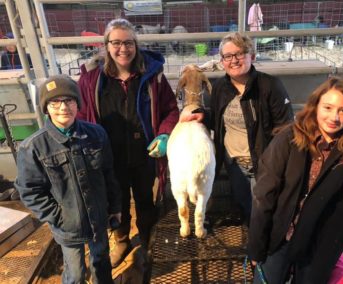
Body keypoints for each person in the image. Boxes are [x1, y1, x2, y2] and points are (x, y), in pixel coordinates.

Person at [248, 77, 343, 284]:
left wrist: (326, 258)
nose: (334, 117)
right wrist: (256, 247)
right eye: (328, 107)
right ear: (315, 106)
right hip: (277, 239)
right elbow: (264, 196)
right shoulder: (288, 138)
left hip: (317, 244)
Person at [77, 18, 179, 268]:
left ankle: (147, 240)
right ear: (107, 45)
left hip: (145, 153)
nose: (123, 49)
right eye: (116, 42)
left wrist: (164, 134)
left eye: (129, 42)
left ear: (136, 45)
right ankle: (121, 240)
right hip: (109, 156)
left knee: (145, 199)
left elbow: (170, 110)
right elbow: (79, 114)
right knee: (116, 201)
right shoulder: (92, 81)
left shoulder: (152, 77)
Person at [15, 74, 121, 283]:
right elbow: (30, 191)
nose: (63, 107)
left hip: (98, 219)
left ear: (77, 104)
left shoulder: (97, 134)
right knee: (75, 273)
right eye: (55, 102)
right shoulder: (33, 147)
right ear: (46, 108)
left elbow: (109, 172)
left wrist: (115, 206)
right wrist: (58, 216)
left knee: (101, 262)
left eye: (69, 100)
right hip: (68, 226)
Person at [199, 32, 293, 225]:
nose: (233, 60)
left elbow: (285, 129)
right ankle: (251, 242)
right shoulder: (219, 88)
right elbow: (218, 120)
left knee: (264, 211)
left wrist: (275, 164)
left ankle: (263, 249)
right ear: (221, 60)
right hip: (234, 161)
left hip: (263, 164)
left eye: (239, 54)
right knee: (244, 205)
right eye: (227, 56)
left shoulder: (270, 86)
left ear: (252, 56)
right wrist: (200, 116)